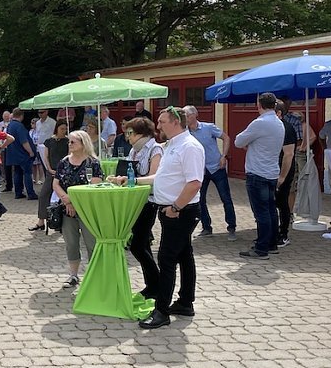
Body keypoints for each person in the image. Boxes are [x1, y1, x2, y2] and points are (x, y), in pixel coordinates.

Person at [117, 106, 203, 329]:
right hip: (170, 210)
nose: (159, 126)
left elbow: (194, 183)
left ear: (175, 121)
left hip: (180, 211)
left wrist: (176, 207)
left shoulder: (189, 146)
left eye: (162, 121)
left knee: (166, 259)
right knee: (184, 255)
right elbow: (161, 176)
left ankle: (162, 311)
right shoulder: (172, 145)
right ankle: (185, 302)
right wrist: (133, 180)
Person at [108, 117, 163, 298]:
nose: (128, 136)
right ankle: (152, 285)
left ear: (141, 133)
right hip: (134, 201)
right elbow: (129, 172)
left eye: (130, 133)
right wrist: (119, 178)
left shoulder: (155, 149)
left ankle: (156, 283)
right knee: (142, 244)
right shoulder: (134, 150)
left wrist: (132, 179)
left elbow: (154, 176)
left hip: (148, 201)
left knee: (138, 245)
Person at [235, 92, 285, 259]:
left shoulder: (260, 123)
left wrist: (249, 143)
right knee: (271, 210)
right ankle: (271, 244)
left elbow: (239, 141)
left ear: (259, 104)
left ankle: (261, 248)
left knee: (261, 212)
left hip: (257, 172)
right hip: (271, 172)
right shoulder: (279, 123)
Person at [52, 130, 102, 287]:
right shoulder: (64, 162)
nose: (69, 144)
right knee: (71, 243)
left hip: (87, 209)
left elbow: (95, 184)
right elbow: (56, 183)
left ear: (83, 143)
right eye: (69, 142)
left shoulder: (93, 163)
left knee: (91, 243)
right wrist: (67, 201)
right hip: (67, 210)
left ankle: (95, 276)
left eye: (73, 142)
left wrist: (74, 201)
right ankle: (73, 275)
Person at [183, 105, 237, 241]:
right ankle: (206, 227)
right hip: (200, 170)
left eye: (187, 115)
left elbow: (226, 138)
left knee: (225, 198)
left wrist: (223, 155)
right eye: (184, 116)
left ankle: (232, 227)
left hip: (216, 167)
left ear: (195, 115)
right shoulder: (185, 132)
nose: (186, 118)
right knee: (200, 199)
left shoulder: (209, 127)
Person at [30, 119, 69, 231]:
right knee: (43, 195)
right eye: (62, 129)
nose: (63, 131)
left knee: (63, 196)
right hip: (51, 171)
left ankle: (61, 222)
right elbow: (46, 156)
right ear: (56, 128)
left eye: (65, 129)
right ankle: (41, 221)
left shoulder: (67, 141)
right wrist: (49, 168)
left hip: (63, 172)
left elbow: (68, 157)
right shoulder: (49, 141)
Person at [274, 101, 296, 248]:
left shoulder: (287, 128)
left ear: (279, 113)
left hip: (284, 169)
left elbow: (288, 155)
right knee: (272, 203)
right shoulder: (271, 128)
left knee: (282, 202)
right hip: (271, 168)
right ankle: (272, 232)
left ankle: (283, 234)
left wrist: (282, 177)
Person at [5, 108, 38, 200]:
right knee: (27, 173)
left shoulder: (10, 125)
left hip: (13, 153)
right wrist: (30, 152)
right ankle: (31, 193)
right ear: (21, 115)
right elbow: (24, 141)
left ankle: (18, 192)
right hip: (22, 154)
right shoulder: (19, 126)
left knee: (17, 172)